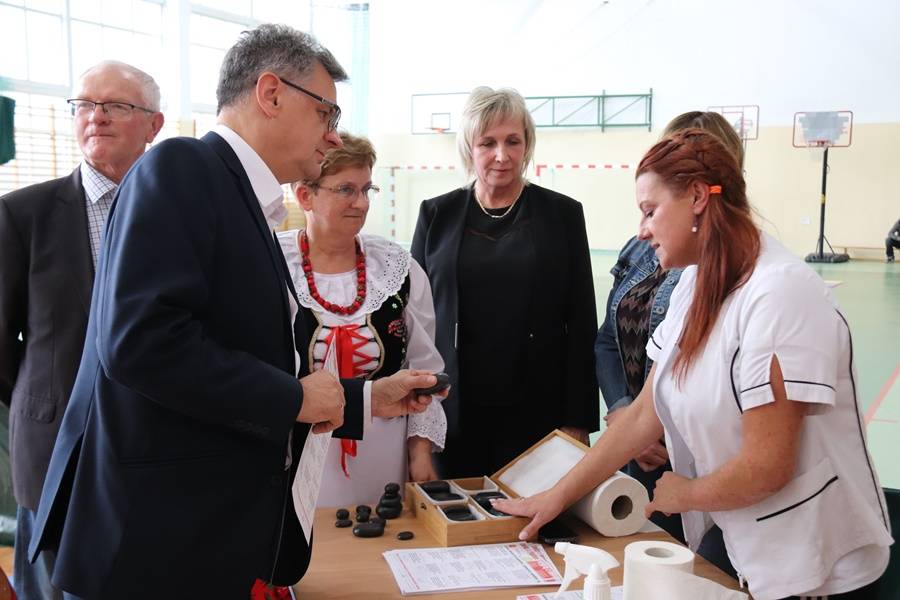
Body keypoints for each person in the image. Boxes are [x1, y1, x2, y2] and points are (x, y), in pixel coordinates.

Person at [27, 25, 437, 600]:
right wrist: (294, 399)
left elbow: (241, 360)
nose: (331, 134)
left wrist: (363, 398)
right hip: (154, 543)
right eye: (325, 112)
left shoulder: (238, 196)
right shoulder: (182, 167)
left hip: (191, 535)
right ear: (271, 93)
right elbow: (142, 343)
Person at [496, 129, 892, 600]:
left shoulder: (782, 295)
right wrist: (557, 496)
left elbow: (768, 466)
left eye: (650, 211)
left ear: (699, 198)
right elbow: (644, 414)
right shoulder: (694, 283)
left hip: (814, 559)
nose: (642, 230)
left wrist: (684, 494)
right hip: (739, 533)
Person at [0, 61, 164, 600]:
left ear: (154, 124)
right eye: (84, 105)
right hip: (54, 451)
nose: (97, 116)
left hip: (156, 447)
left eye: (116, 105)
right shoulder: (22, 214)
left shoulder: (175, 216)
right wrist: (49, 399)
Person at [411, 86, 598, 478]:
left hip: (537, 415)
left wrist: (577, 419)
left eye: (513, 141)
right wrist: (418, 431)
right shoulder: (436, 215)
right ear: (469, 148)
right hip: (453, 411)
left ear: (527, 145)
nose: (502, 155)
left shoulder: (562, 215)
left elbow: (582, 321)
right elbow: (416, 325)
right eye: (488, 143)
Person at [595, 111, 744, 565]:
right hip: (634, 446)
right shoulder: (640, 247)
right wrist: (623, 413)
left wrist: (655, 429)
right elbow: (607, 340)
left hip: (694, 461)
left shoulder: (735, 271)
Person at [278, 132, 447, 506]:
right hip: (299, 452)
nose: (361, 203)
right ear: (305, 195)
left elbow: (425, 371)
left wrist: (420, 453)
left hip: (383, 451)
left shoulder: (397, 268)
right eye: (346, 190)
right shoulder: (274, 264)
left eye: (367, 189)